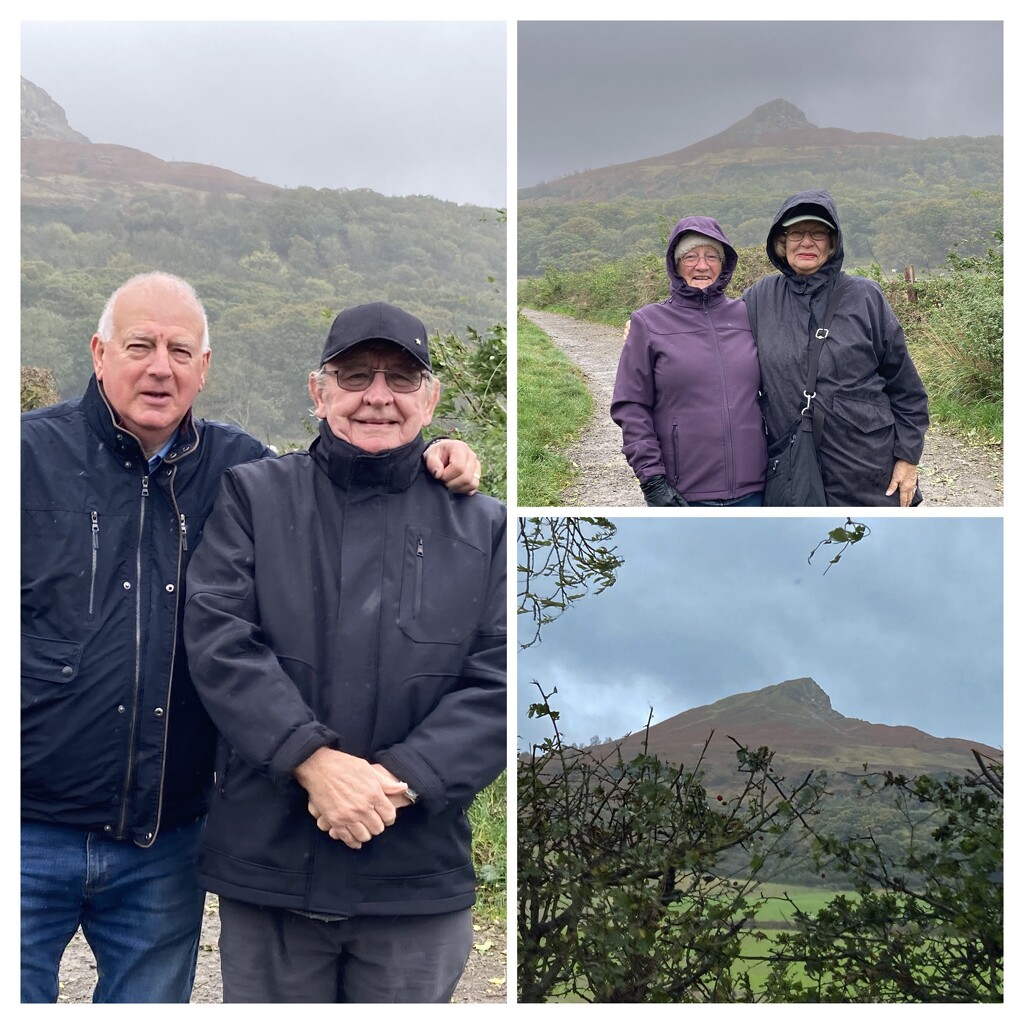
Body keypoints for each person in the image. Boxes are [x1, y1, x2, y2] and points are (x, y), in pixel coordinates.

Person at [20, 273, 481, 1004]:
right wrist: (312, 760)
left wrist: (441, 461)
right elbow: (222, 635)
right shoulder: (26, 458)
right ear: (99, 352)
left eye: (181, 350)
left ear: (205, 368)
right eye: (140, 346)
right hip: (24, 826)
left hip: (164, 835)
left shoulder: (237, 467)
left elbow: (354, 471)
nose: (160, 366)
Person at [182, 301, 506, 1004]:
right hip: (270, 872)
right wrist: (312, 762)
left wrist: (391, 784)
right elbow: (219, 639)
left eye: (400, 377)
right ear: (319, 391)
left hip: (415, 881)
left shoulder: (485, 526)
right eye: (356, 375)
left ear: (431, 398)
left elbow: (506, 679)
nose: (378, 396)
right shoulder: (254, 496)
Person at [743, 190, 929, 506]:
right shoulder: (760, 298)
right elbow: (714, 334)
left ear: (832, 243)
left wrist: (908, 458)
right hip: (791, 469)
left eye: (818, 233)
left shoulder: (865, 297)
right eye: (796, 233)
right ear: (781, 242)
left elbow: (906, 389)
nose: (806, 242)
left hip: (866, 471)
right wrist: (657, 326)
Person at [611, 216, 766, 506]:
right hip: (683, 493)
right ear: (675, 264)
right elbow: (630, 405)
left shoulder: (749, 315)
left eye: (711, 256)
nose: (702, 265)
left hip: (755, 490)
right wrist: (652, 479)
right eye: (690, 256)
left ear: (724, 264)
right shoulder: (648, 322)